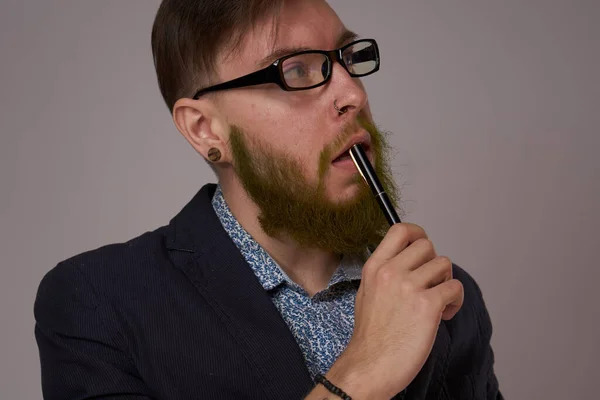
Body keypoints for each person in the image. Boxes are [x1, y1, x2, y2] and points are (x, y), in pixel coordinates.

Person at [34, 0, 502, 399]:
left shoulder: (446, 298)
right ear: (206, 129)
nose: (352, 94)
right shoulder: (99, 301)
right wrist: (361, 374)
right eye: (295, 69)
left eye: (345, 58)